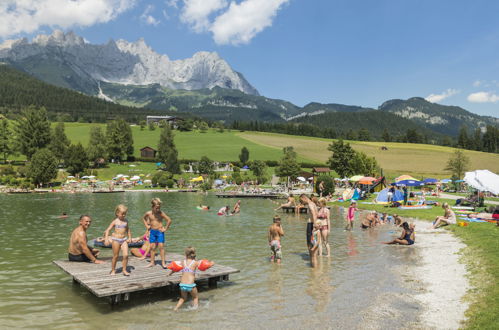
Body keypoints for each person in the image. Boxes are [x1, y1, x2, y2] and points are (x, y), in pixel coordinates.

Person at [166, 246, 214, 311]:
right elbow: (206, 266)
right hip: (190, 285)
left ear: (185, 254)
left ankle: (175, 309)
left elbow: (175, 269)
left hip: (182, 285)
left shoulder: (182, 262)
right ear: (194, 254)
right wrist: (212, 263)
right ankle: (195, 310)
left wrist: (169, 274)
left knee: (183, 298)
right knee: (195, 297)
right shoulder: (195, 263)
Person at [142, 198, 172, 268]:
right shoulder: (148, 213)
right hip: (152, 232)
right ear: (152, 207)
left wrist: (165, 228)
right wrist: (147, 225)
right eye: (156, 208)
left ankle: (163, 263)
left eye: (159, 208)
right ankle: (152, 262)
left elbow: (169, 220)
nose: (158, 209)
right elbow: (143, 218)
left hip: (159, 232)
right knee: (152, 247)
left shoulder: (161, 213)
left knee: (161, 247)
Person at [104, 204, 132, 276]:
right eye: (122, 214)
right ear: (117, 213)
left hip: (124, 239)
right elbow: (107, 230)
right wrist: (106, 239)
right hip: (116, 240)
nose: (123, 215)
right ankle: (113, 270)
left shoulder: (126, 221)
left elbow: (128, 229)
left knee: (126, 255)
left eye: (125, 214)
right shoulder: (115, 221)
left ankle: (124, 270)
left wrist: (130, 237)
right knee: (116, 256)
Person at [300, 194, 319, 267]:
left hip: (311, 225)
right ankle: (314, 263)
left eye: (302, 201)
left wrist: (314, 224)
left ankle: (312, 264)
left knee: (310, 245)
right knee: (314, 243)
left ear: (304, 198)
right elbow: (316, 214)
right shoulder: (313, 204)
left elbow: (314, 214)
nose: (302, 203)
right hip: (314, 223)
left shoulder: (310, 205)